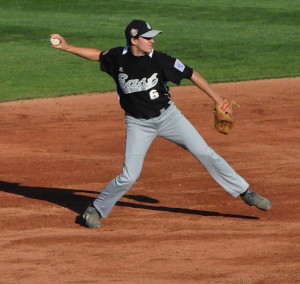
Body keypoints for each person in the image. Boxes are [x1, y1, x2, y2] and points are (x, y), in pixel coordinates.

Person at [50, 19, 272, 228]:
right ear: (134, 40)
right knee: (129, 175)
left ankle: (245, 192)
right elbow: (98, 55)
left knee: (205, 153)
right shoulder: (118, 56)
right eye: (147, 37)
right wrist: (67, 47)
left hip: (169, 118)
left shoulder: (160, 60)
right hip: (138, 124)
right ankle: (95, 210)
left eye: (152, 37)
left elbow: (191, 73)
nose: (152, 40)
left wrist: (218, 98)